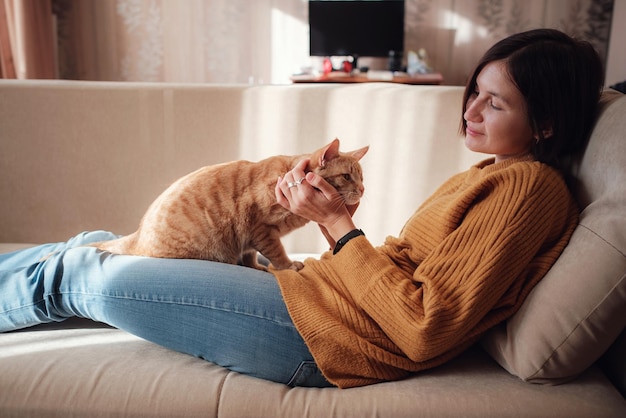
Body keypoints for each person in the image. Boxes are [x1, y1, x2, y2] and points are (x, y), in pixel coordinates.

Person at [0, 29, 604, 389]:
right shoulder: (493, 173)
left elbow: (425, 328)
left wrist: (336, 224)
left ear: (546, 123)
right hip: (318, 297)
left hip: (322, 335)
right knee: (95, 238)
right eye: (475, 92)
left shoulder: (529, 190)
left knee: (76, 275)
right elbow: (413, 275)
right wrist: (322, 245)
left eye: (493, 104)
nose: (470, 111)